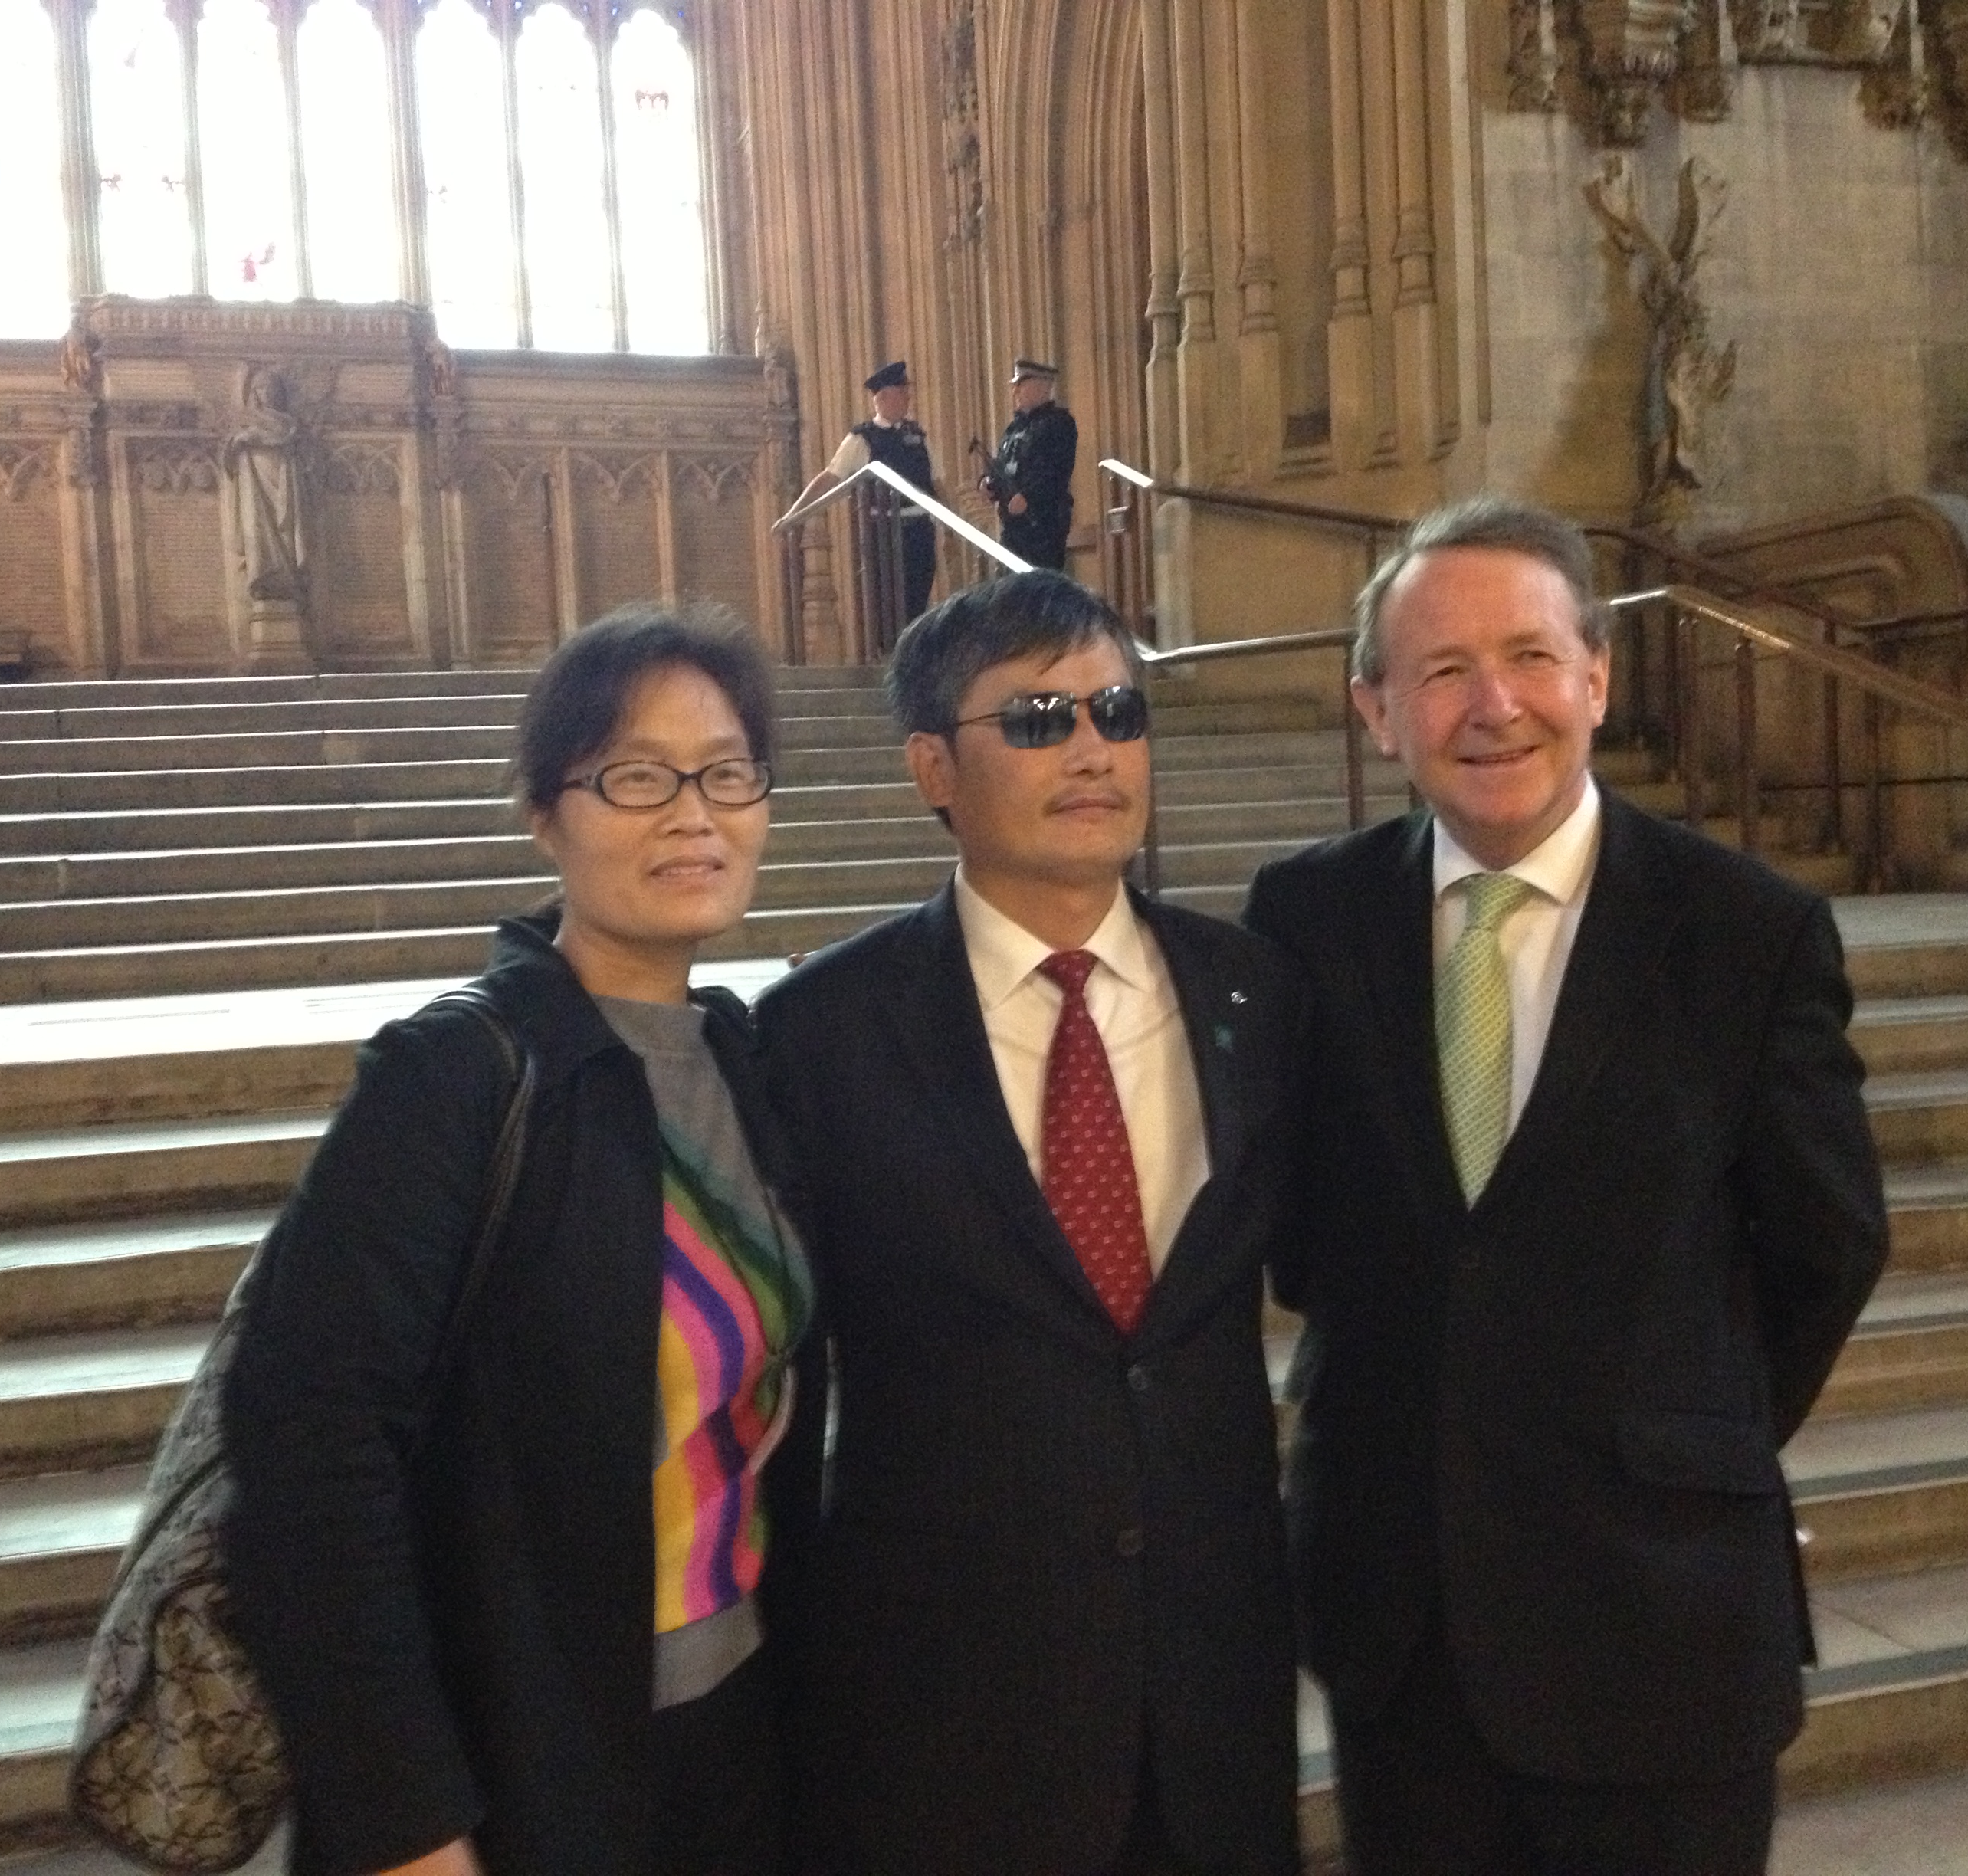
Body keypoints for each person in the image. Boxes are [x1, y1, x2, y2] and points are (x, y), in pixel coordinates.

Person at [1241, 495, 1888, 1875]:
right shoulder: (1305, 919)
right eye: (1439, 669)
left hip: (1658, 1620)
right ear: (1373, 707)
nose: (1494, 704)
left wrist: (1678, 1426)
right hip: (1399, 1622)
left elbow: (1823, 1244)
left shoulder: (1743, 932)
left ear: (1595, 675)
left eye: (1531, 656)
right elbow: (1300, 1236)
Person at [224, 606, 822, 1876]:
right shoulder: (451, 1076)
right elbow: (307, 1449)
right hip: (515, 1758)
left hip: (737, 1730)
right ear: (544, 811)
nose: (692, 812)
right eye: (634, 775)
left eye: (725, 770)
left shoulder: (744, 1062)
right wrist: (406, 1818)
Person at [759, 570, 1305, 1876]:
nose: (1089, 749)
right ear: (930, 767)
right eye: (1035, 718)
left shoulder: (1254, 992)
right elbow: (780, 1377)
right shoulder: (818, 1031)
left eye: (1116, 711)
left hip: (1209, 1693)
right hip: (941, 1706)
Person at [784, 360, 939, 640]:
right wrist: (795, 513)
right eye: (901, 393)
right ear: (881, 399)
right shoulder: (862, 438)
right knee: (887, 607)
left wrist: (949, 523)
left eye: (907, 392)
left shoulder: (917, 435)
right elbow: (831, 476)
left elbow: (937, 481)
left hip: (919, 529)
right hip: (884, 533)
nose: (907, 398)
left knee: (918, 603)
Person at [982, 357, 1077, 571]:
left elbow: (1055, 471)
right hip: (1012, 526)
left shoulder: (1058, 424)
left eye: (1021, 385)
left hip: (1042, 523)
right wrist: (989, 483)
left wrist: (1028, 497)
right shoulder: (1013, 428)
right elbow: (1002, 465)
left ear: (1042, 387)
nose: (1015, 392)